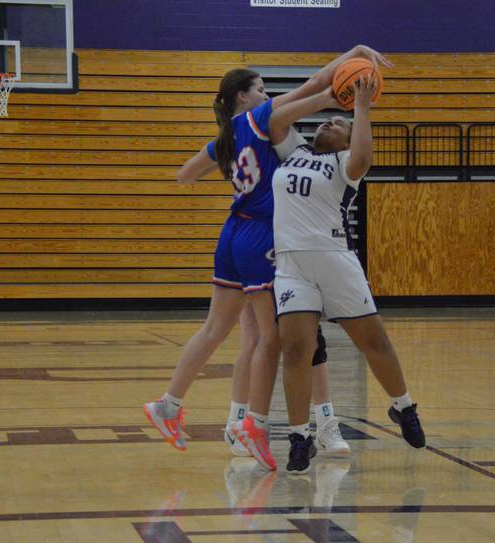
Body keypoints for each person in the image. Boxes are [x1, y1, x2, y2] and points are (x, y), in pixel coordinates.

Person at [143, 46, 390, 468]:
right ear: (243, 95)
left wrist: (234, 172)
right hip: (263, 235)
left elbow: (185, 175)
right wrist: (344, 72)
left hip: (232, 230)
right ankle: (253, 425)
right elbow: (313, 85)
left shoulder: (228, 135)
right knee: (271, 338)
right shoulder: (259, 120)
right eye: (260, 89)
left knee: (217, 330)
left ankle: (169, 404)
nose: (265, 94)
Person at [267, 76, 426, 473]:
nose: (327, 124)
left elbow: (363, 157)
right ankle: (300, 436)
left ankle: (403, 407)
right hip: (291, 265)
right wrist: (323, 95)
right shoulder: (293, 152)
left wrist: (361, 107)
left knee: (373, 340)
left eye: (337, 125)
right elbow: (275, 122)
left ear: (347, 139)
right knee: (297, 351)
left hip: (335, 258)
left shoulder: (344, 165)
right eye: (325, 121)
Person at [224, 307, 349, 458]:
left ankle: (326, 423)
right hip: (259, 284)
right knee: (254, 342)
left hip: (295, 284)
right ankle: (237, 422)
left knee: (312, 340)